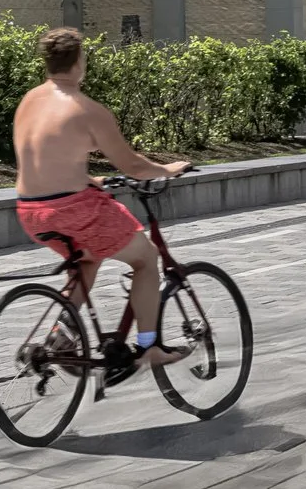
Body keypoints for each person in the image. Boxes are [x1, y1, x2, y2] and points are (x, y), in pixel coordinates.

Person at [12, 26, 195, 381]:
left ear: (48, 62)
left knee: (88, 258)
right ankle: (149, 346)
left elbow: (42, 156)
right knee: (146, 259)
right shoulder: (88, 110)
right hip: (73, 209)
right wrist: (168, 169)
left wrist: (89, 180)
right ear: (80, 61)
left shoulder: (28, 101)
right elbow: (133, 166)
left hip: (31, 210)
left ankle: (60, 337)